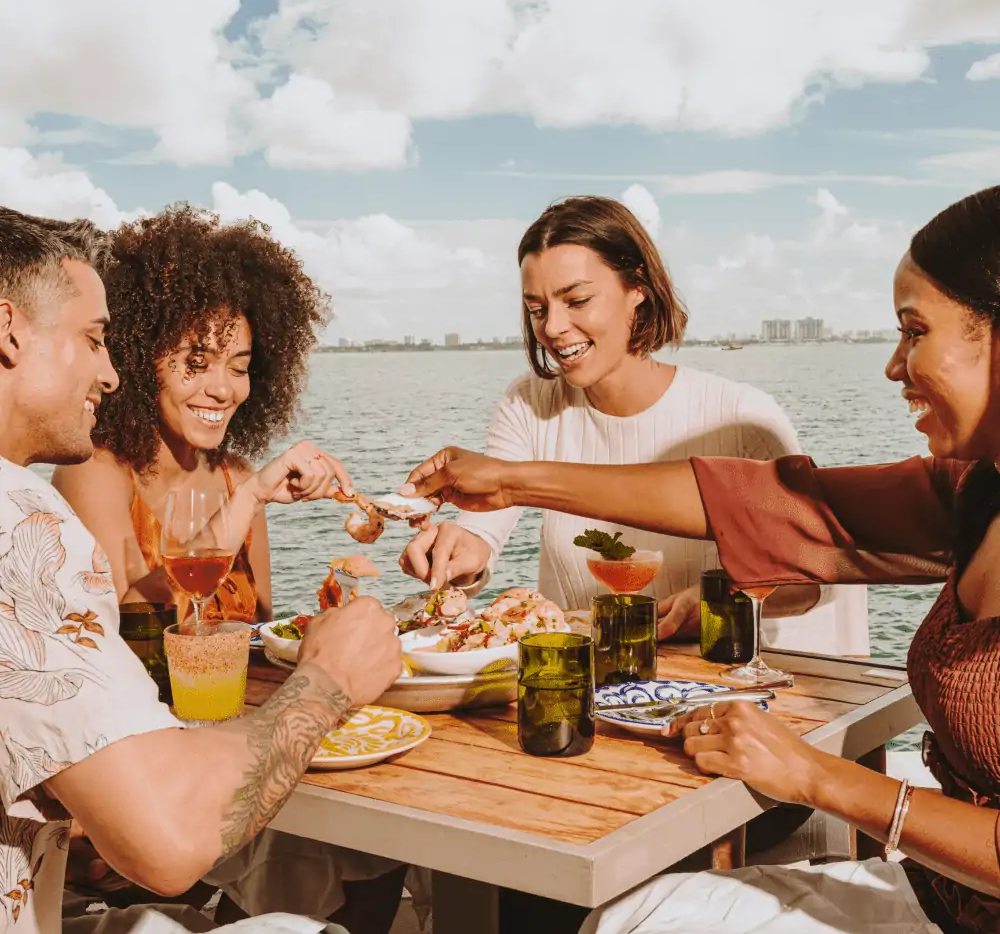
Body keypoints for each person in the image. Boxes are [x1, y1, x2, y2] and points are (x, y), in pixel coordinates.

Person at [401, 185, 1000, 933]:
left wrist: (817, 775)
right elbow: (769, 502)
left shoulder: (741, 409)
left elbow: (781, 543)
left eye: (915, 331)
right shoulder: (973, 494)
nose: (891, 364)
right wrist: (507, 480)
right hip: (941, 896)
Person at [0, 205, 402, 934]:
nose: (111, 371)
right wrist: (330, 676)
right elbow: (168, 841)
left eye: (240, 367)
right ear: (9, 331)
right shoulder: (26, 519)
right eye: (95, 341)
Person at [399, 196, 868, 656]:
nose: (554, 327)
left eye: (577, 300)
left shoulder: (743, 419)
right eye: (537, 309)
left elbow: (810, 582)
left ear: (637, 290)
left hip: (713, 691)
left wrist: (714, 601)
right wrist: (466, 550)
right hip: (582, 691)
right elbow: (485, 525)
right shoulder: (529, 402)